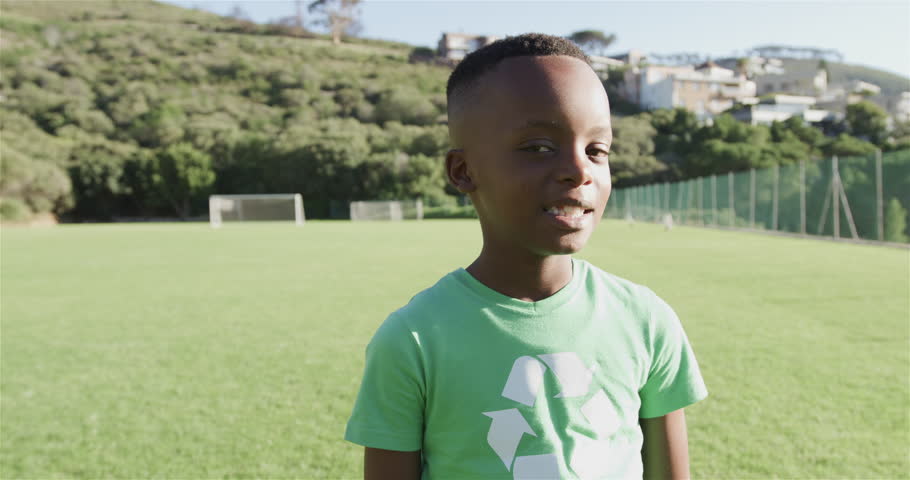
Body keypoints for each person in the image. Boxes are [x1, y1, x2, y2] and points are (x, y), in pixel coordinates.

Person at [344, 33, 707, 479]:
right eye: (539, 148)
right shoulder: (412, 340)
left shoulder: (647, 321)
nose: (579, 170)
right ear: (463, 171)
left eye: (597, 151)